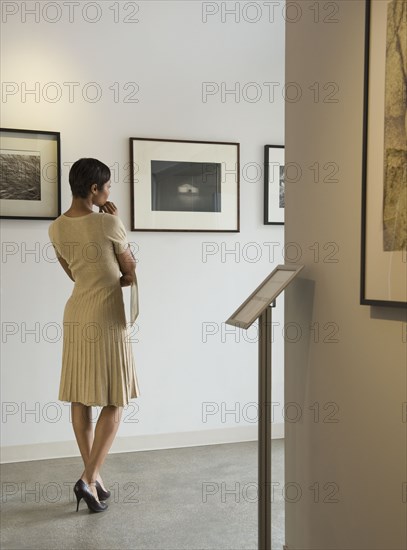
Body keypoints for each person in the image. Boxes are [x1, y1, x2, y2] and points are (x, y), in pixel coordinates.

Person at [48, 158, 140, 513]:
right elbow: (129, 273)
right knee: (114, 399)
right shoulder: (109, 222)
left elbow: (74, 275)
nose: (109, 192)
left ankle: (93, 478)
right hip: (105, 315)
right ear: (94, 189)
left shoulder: (55, 228)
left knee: (81, 397)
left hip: (76, 314)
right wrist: (115, 224)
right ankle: (89, 479)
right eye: (107, 186)